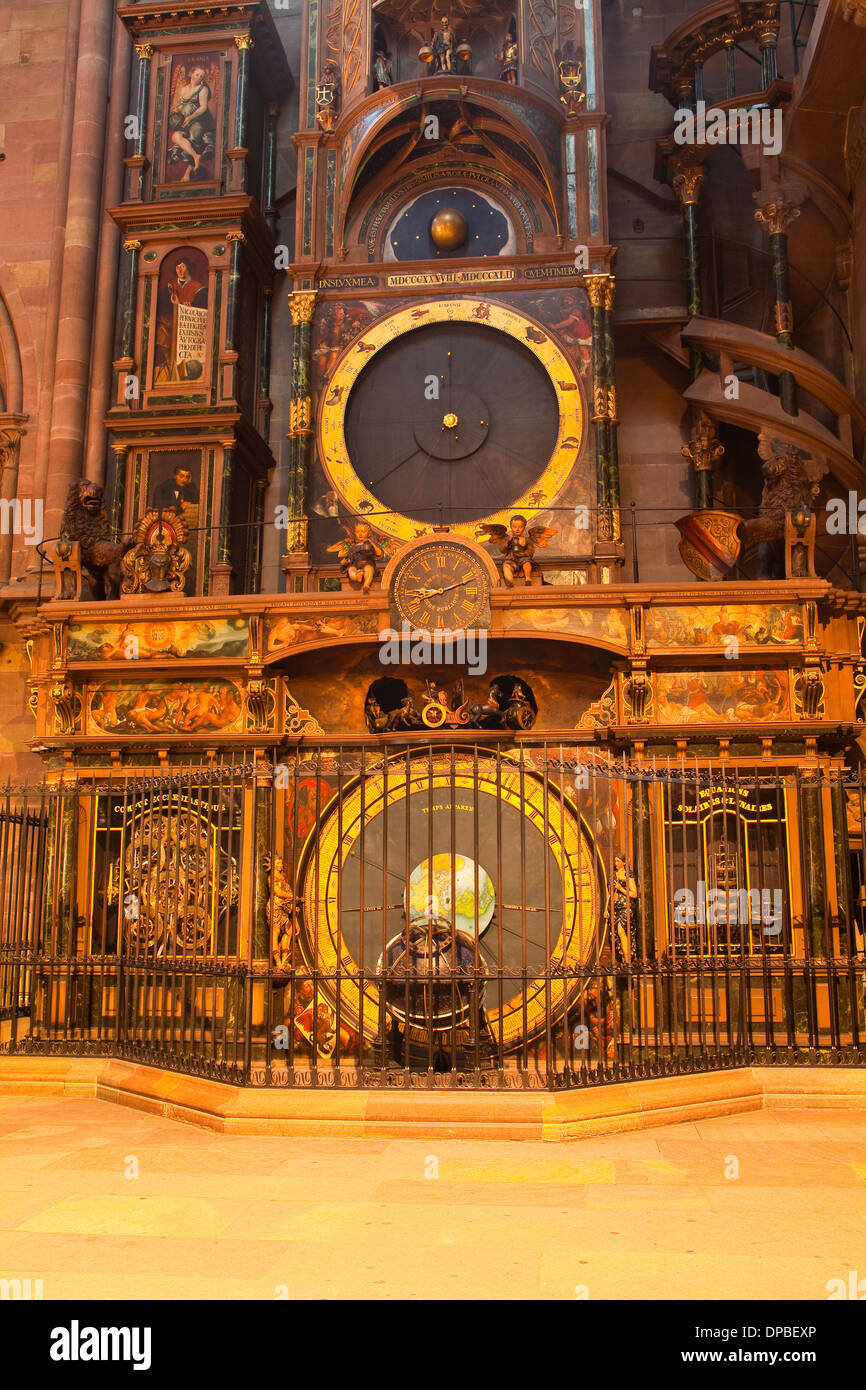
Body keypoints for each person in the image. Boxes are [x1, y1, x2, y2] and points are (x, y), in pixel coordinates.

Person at [168, 65, 216, 182]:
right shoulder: (184, 89)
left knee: (194, 140)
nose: (199, 77)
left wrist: (190, 117)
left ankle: (187, 174)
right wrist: (177, 109)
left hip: (200, 120)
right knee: (175, 137)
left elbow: (203, 107)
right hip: (185, 120)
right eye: (197, 74)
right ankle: (195, 156)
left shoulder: (202, 89)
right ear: (191, 74)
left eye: (201, 76)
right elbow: (183, 105)